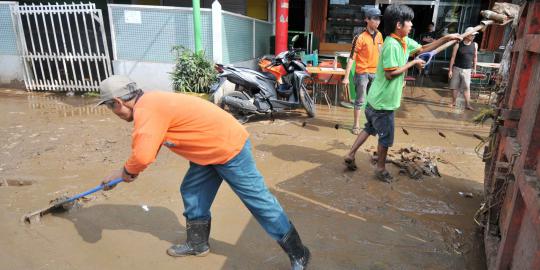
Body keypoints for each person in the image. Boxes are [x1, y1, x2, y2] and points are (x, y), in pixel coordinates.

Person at [97, 75, 310, 270]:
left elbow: (143, 156)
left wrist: (123, 173)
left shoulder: (147, 110)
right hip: (207, 149)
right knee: (192, 191)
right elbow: (150, 146)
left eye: (110, 107)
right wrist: (127, 173)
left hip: (228, 148)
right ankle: (197, 244)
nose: (114, 113)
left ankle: (299, 253)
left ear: (118, 102)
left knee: (258, 201)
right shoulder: (151, 101)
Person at [343, 4, 462, 183]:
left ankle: (351, 154)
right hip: (383, 102)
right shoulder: (391, 44)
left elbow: (423, 49)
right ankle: (381, 168)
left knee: (369, 128)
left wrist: (446, 39)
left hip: (376, 100)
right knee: (386, 137)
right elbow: (391, 74)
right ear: (399, 25)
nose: (412, 25)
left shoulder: (404, 41)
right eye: (409, 22)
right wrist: (413, 64)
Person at [342, 7, 384, 135]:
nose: (377, 22)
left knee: (374, 101)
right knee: (360, 100)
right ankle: (356, 125)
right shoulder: (359, 37)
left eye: (379, 19)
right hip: (362, 73)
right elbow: (351, 58)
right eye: (375, 19)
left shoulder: (380, 35)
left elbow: (381, 54)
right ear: (367, 19)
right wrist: (346, 77)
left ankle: (371, 124)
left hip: (375, 73)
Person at [448, 26, 478, 111]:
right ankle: (453, 102)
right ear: (467, 35)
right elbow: (453, 57)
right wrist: (450, 70)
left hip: (467, 69)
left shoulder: (475, 45)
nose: (473, 36)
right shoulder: (458, 44)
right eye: (472, 35)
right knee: (454, 86)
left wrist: (474, 68)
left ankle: (467, 104)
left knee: (467, 87)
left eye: (474, 35)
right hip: (457, 68)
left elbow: (475, 57)